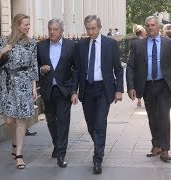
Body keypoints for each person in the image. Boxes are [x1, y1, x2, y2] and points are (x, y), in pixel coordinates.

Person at [126, 16, 171, 163]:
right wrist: (131, 86)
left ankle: (165, 149)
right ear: (145, 28)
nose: (150, 27)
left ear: (158, 27)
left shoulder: (170, 44)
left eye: (153, 25)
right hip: (147, 86)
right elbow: (131, 67)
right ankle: (156, 145)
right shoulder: (137, 45)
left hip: (164, 85)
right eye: (148, 25)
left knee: (164, 116)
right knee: (152, 117)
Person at [71, 15, 123, 174]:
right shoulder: (80, 45)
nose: (90, 31)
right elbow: (76, 70)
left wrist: (119, 90)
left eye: (93, 28)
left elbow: (118, 69)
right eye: (88, 28)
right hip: (87, 89)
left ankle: (97, 158)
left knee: (100, 122)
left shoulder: (110, 44)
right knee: (91, 124)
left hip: (103, 89)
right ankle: (99, 144)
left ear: (100, 28)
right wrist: (74, 91)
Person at [0, 13, 38, 169]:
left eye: (29, 24)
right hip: (7, 83)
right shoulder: (4, 41)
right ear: (17, 25)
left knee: (21, 120)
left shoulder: (31, 43)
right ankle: (14, 142)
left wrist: (33, 87)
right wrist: (3, 51)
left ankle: (19, 154)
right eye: (26, 24)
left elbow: (33, 66)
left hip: (24, 83)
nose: (28, 27)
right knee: (9, 120)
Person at [37, 18, 77, 168]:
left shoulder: (71, 46)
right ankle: (57, 144)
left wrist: (74, 91)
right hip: (48, 90)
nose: (52, 32)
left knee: (63, 121)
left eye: (55, 29)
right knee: (51, 120)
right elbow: (35, 67)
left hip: (64, 90)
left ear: (62, 31)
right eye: (50, 29)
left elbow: (76, 70)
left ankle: (61, 153)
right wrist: (42, 69)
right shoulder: (40, 46)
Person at [132, 24, 147, 107]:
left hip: (137, 66)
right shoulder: (145, 41)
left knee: (139, 83)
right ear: (141, 32)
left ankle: (139, 99)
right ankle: (142, 99)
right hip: (143, 64)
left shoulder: (134, 42)